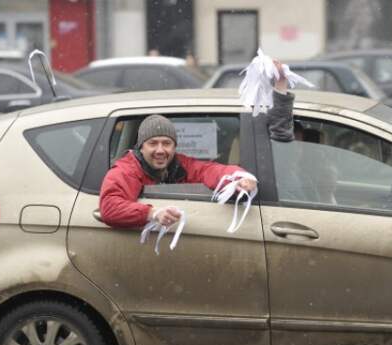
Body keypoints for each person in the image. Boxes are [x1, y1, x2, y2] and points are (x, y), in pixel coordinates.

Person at [100, 62, 294, 229]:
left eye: (167, 143)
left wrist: (240, 179)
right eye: (153, 143)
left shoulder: (180, 165)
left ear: (174, 147)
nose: (160, 150)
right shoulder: (127, 169)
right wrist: (151, 213)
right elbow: (109, 207)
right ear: (141, 147)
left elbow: (210, 171)